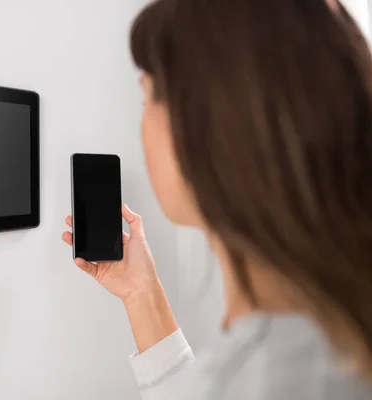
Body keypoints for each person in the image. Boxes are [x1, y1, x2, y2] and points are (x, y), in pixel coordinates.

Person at [61, 0, 372, 399]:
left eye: (147, 99)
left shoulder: (269, 379)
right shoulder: (328, 335)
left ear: (203, 129)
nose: (141, 128)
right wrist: (142, 293)